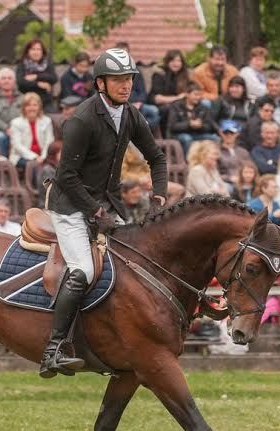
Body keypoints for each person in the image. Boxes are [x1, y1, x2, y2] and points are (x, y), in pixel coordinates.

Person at [40, 47, 168, 378]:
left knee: (134, 266)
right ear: (101, 84)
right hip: (69, 205)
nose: (125, 85)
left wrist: (159, 196)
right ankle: (53, 349)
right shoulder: (81, 120)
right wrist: (96, 211)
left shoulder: (131, 116)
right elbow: (66, 177)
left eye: (128, 79)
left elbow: (157, 158)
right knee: (82, 269)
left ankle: (118, 344)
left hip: (106, 203)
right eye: (118, 80)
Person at [166, 81, 218, 154]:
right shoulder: (176, 106)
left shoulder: (203, 107)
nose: (198, 97)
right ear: (187, 94)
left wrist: (200, 126)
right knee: (187, 138)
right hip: (179, 135)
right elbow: (172, 126)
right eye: (196, 95)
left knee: (214, 138)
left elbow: (209, 126)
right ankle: (189, 162)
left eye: (200, 95)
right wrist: (189, 124)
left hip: (197, 134)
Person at [9, 92, 54, 171]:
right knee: (34, 166)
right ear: (24, 108)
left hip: (42, 155)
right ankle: (44, 183)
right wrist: (35, 157)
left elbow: (49, 141)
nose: (31, 108)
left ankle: (49, 183)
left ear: (39, 107)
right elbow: (17, 146)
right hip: (22, 156)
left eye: (34, 105)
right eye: (28, 105)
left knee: (52, 166)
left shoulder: (47, 121)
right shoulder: (16, 123)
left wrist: (42, 157)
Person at [148, 49, 189, 133]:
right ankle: (166, 136)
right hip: (160, 106)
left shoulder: (184, 75)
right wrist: (177, 97)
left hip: (177, 105)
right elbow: (157, 99)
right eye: (173, 61)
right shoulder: (159, 74)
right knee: (169, 108)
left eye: (178, 61)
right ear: (167, 61)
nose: (176, 64)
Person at [16, 39, 57, 111]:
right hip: (27, 102)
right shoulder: (22, 65)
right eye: (33, 49)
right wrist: (38, 84)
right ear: (28, 51)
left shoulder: (47, 64)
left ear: (42, 52)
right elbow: (21, 82)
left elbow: (53, 78)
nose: (36, 52)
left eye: (38, 49)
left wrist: (36, 76)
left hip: (45, 102)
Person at [217, 119, 252, 185]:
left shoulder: (243, 152)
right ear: (220, 133)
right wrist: (229, 178)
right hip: (225, 183)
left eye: (232, 133)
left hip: (244, 181)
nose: (229, 135)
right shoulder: (216, 151)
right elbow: (214, 173)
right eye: (225, 132)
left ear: (237, 133)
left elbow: (251, 168)